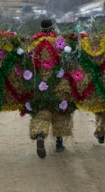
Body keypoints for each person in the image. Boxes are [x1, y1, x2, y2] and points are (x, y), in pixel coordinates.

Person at [29, 19, 74, 159]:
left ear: (41, 29)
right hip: (59, 85)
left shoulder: (33, 45)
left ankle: (41, 135)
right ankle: (59, 143)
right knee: (60, 112)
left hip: (39, 85)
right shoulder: (60, 44)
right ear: (52, 28)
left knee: (41, 112)